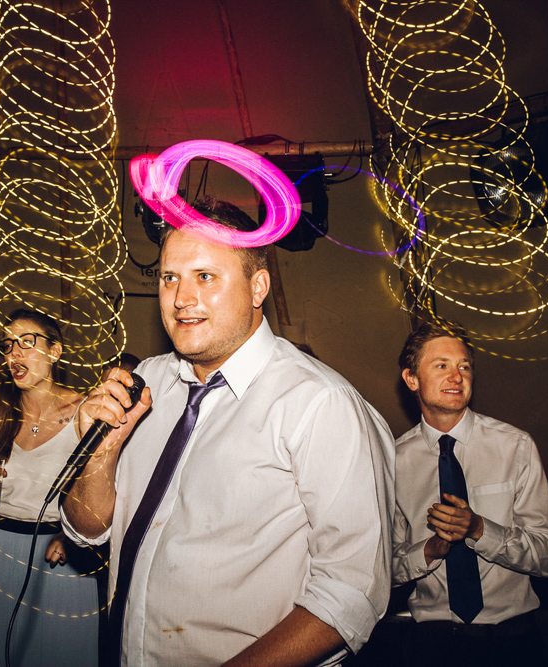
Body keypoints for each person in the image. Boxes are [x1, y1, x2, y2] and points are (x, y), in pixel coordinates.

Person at [61, 196, 395, 667]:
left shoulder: (318, 403)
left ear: (258, 287)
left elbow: (350, 595)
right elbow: (86, 532)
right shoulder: (145, 383)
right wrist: (100, 454)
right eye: (169, 277)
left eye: (205, 276)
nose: (181, 298)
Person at [391, 320, 548, 667]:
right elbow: (383, 569)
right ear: (411, 378)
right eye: (441, 366)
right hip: (431, 645)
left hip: (511, 642)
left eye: (464, 367)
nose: (457, 377)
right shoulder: (392, 460)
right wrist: (430, 549)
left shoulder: (514, 446)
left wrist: (480, 530)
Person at [0, 308, 101, 667]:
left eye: (26, 343)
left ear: (55, 351)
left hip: (59, 558)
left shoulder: (88, 413)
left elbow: (109, 497)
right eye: (7, 346)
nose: (14, 353)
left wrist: (73, 537)